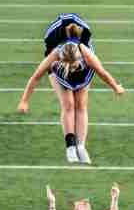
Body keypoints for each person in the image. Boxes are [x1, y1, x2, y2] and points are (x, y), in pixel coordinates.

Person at [17, 13, 125, 164]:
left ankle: (81, 147)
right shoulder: (55, 55)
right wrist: (24, 101)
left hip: (82, 70)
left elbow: (102, 71)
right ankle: (70, 148)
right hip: (60, 71)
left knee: (81, 104)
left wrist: (115, 87)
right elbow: (36, 76)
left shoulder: (86, 53)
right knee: (68, 104)